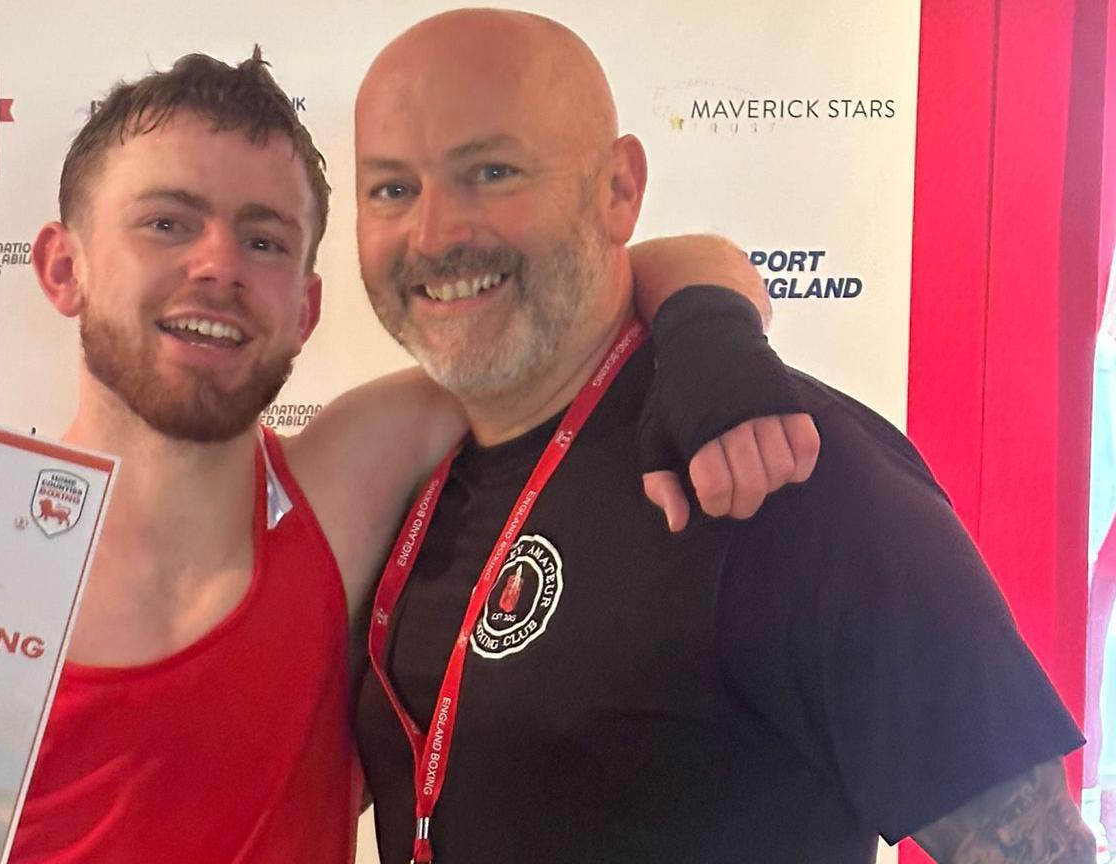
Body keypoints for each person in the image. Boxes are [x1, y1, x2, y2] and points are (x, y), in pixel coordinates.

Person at [0, 50, 816, 864]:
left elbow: (594, 276)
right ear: (64, 268)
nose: (220, 264)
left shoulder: (345, 482)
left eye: (264, 239)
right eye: (168, 222)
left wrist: (709, 335)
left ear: (308, 308)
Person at [350, 10, 1091, 864]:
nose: (437, 232)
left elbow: (1044, 853)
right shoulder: (408, 475)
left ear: (618, 189)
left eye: (491, 171)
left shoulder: (782, 465)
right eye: (394, 189)